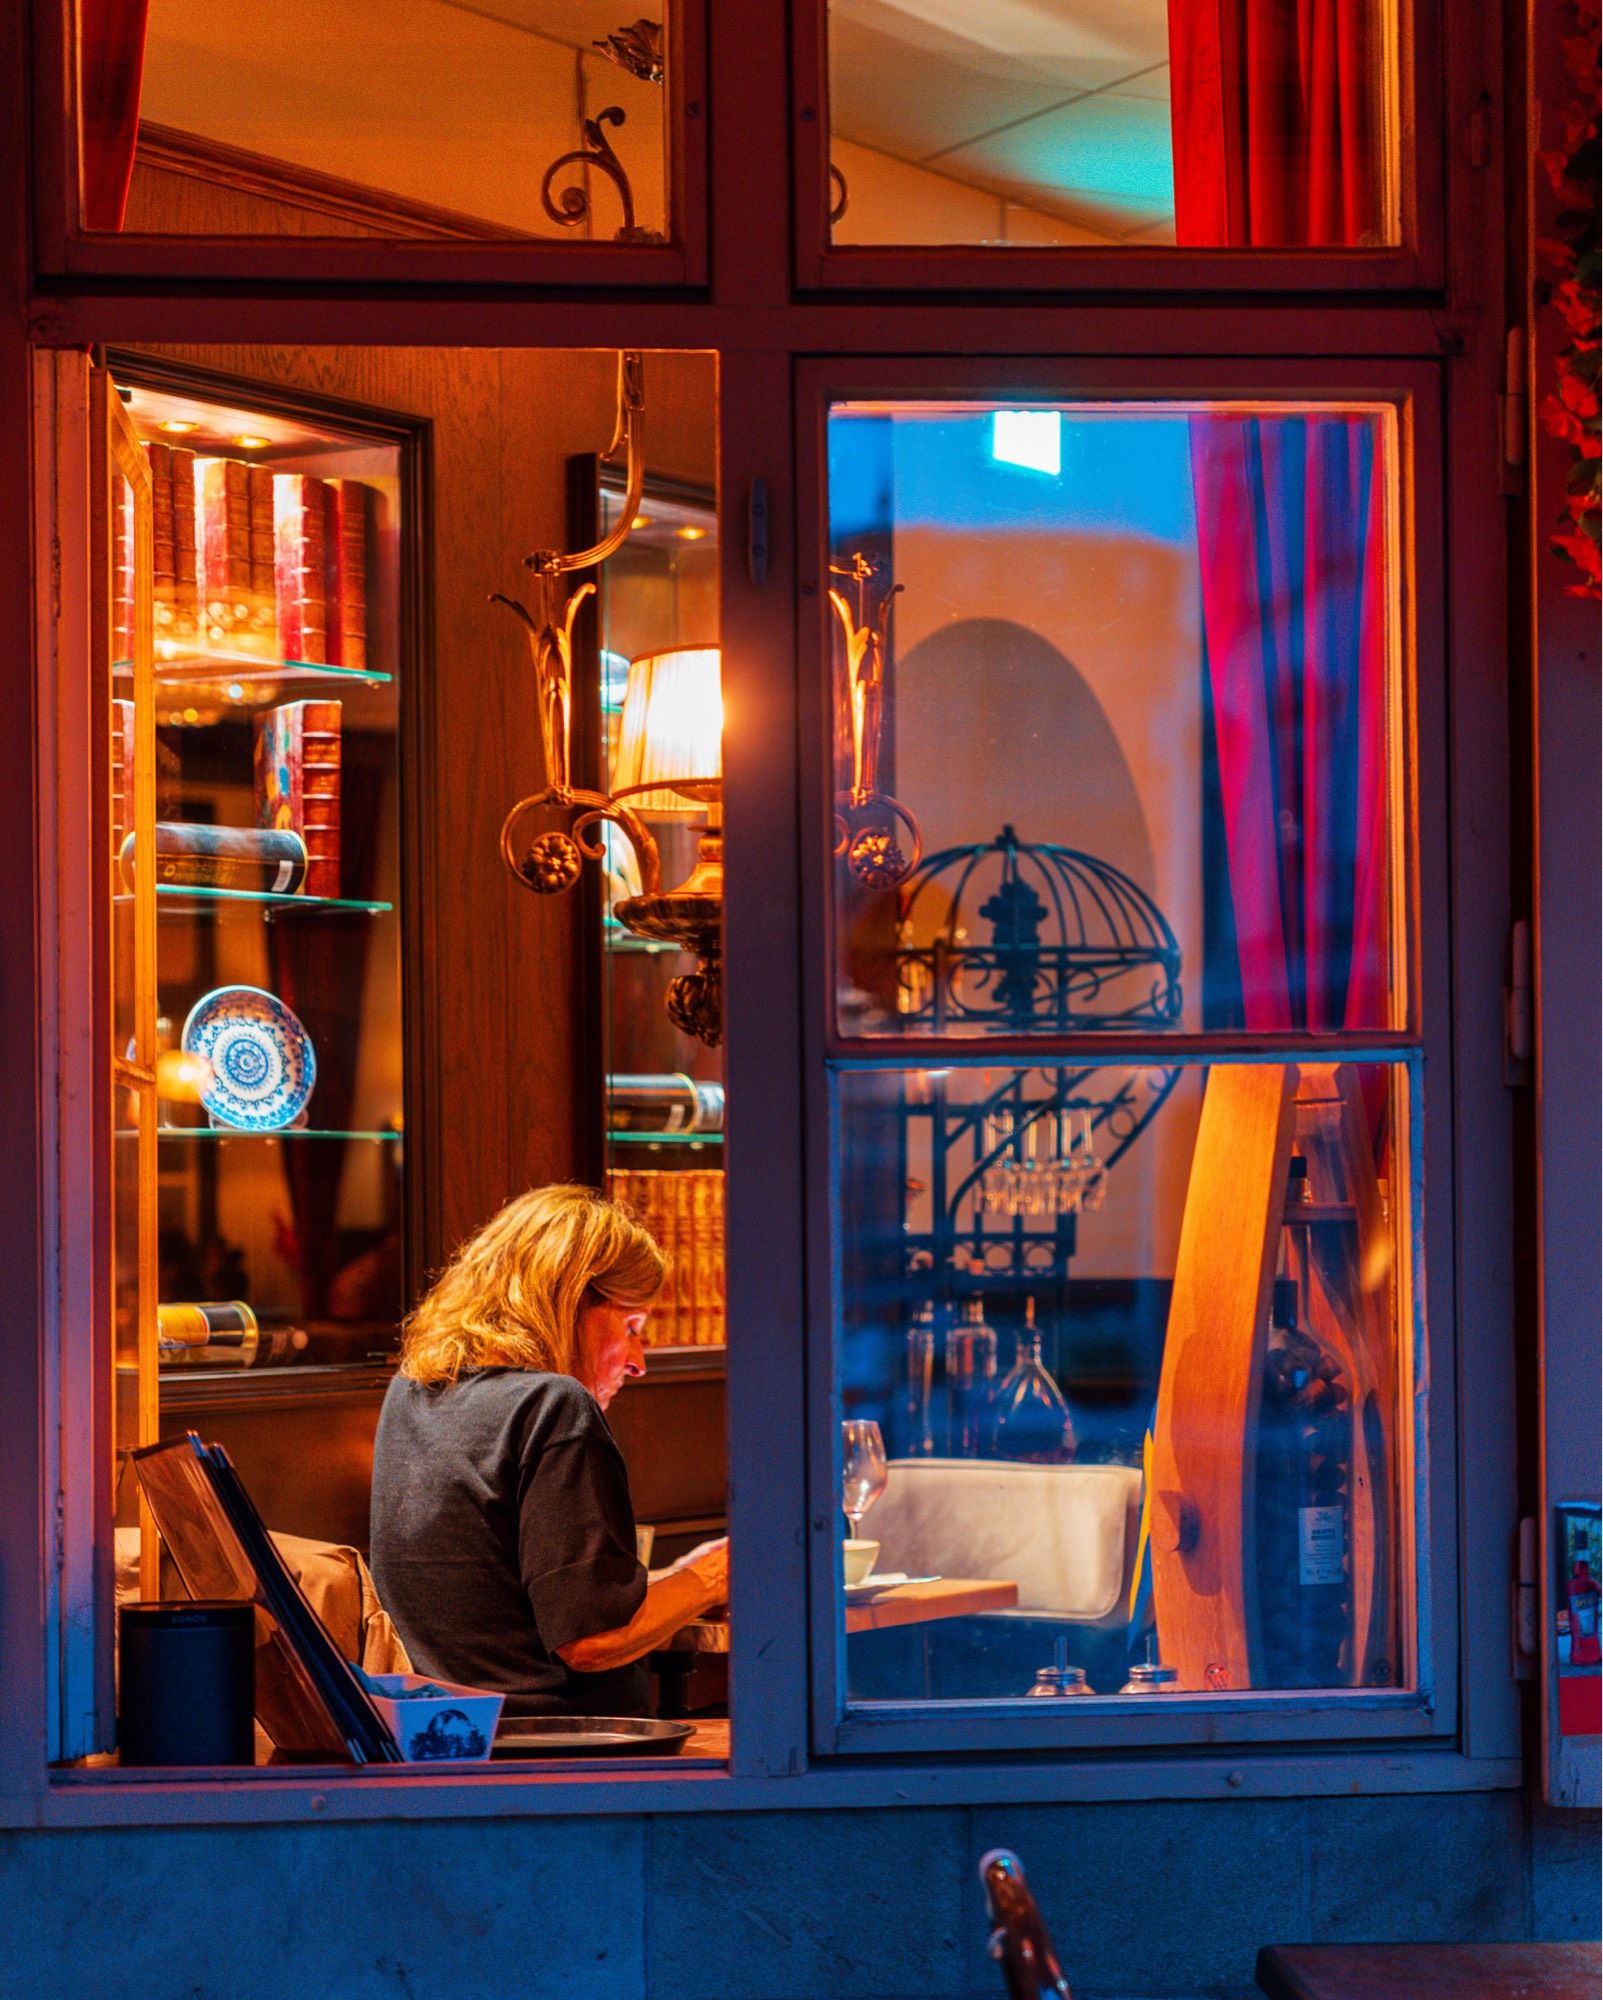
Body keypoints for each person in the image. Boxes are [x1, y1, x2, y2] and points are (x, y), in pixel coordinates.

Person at [370, 1184, 728, 1717]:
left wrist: (675, 1580)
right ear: (571, 1302)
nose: (638, 1362)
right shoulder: (553, 1405)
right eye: (632, 1327)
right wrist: (716, 1576)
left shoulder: (413, 1392)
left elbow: (504, 1601)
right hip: (561, 1743)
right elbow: (591, 1641)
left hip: (452, 1738)